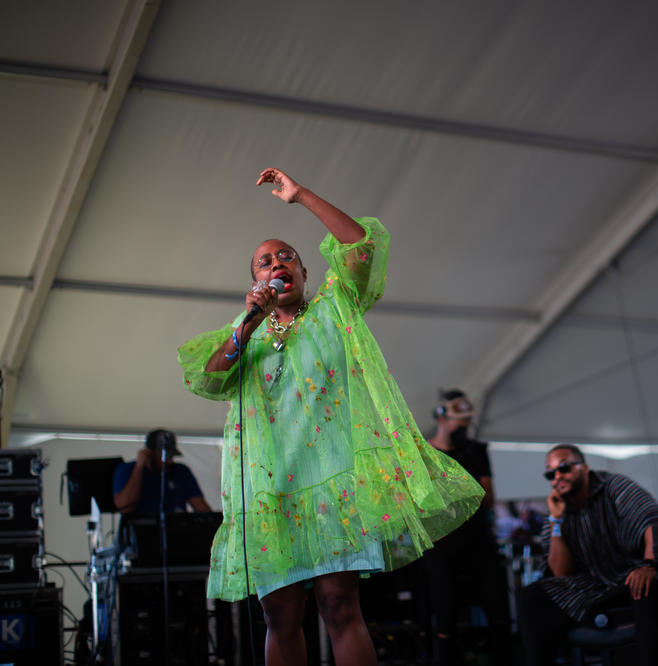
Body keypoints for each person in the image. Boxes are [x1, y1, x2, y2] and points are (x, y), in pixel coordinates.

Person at [177, 168, 484, 666]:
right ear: (255, 281)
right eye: (264, 261)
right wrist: (247, 325)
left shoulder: (335, 305)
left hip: (333, 484)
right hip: (272, 491)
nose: (277, 262)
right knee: (281, 616)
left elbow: (362, 243)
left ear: (304, 271)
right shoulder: (247, 329)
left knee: (340, 607)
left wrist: (300, 197)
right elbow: (209, 378)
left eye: (286, 256)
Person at [517, 444, 658, 666]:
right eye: (551, 473)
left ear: (584, 467)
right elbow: (561, 573)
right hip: (596, 586)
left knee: (644, 588)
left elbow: (651, 522)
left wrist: (650, 565)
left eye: (564, 468)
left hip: (636, 572)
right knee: (531, 596)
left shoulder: (613, 486)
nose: (558, 477)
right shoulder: (557, 510)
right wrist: (555, 522)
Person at [423, 390, 511, 664]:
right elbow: (426, 502)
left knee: (497, 608)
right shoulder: (425, 454)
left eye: (466, 420)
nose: (462, 425)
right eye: (457, 420)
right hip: (442, 544)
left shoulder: (475, 451)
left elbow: (488, 497)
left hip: (478, 542)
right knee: (445, 612)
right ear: (441, 417)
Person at [112, 429, 212, 513]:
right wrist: (139, 468)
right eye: (164, 457)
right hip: (140, 534)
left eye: (171, 456)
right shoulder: (127, 469)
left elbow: (201, 507)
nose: (169, 461)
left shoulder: (181, 471)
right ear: (149, 453)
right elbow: (124, 507)